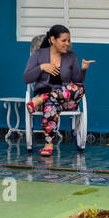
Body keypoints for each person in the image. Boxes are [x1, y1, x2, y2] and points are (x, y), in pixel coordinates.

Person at [22, 24, 95, 157]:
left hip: (66, 100)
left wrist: (83, 69)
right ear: (53, 40)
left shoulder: (71, 56)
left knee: (79, 88)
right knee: (50, 105)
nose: (67, 44)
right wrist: (42, 67)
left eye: (69, 40)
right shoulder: (38, 55)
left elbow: (77, 81)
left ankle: (42, 99)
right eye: (64, 40)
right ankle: (48, 144)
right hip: (48, 101)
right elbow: (26, 78)